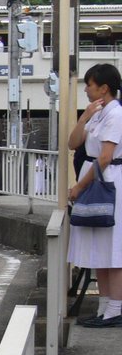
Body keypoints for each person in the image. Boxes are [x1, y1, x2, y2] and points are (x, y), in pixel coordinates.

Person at [67, 63, 122, 327]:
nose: (86, 89)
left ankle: (115, 309)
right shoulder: (98, 113)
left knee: (113, 248)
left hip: (107, 182)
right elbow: (73, 143)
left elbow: (105, 157)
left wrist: (79, 187)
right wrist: (84, 117)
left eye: (89, 84)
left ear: (104, 88)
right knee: (100, 249)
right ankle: (104, 307)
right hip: (97, 179)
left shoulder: (116, 114)